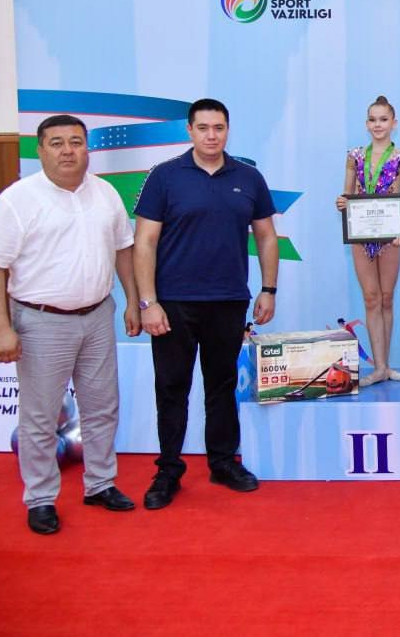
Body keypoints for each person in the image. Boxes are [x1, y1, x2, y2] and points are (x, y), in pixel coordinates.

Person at [0, 115, 141, 534]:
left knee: (102, 406)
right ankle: (41, 499)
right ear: (40, 150)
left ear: (87, 148)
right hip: (40, 322)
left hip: (98, 315)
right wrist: (0, 329)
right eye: (57, 143)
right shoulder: (17, 200)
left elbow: (124, 250)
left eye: (76, 142)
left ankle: (100, 483)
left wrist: (132, 302)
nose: (68, 150)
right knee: (41, 416)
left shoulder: (105, 193)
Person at [133, 98, 279, 509]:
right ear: (190, 130)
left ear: (227, 130)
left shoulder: (249, 177)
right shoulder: (164, 176)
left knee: (222, 385)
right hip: (172, 304)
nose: (211, 136)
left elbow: (266, 236)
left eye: (218, 128)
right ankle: (168, 470)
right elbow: (144, 242)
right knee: (171, 388)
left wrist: (268, 289)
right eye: (203, 128)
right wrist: (148, 302)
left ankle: (222, 462)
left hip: (228, 300)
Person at [335, 95, 400, 385]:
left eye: (383, 119)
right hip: (361, 235)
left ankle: (387, 365)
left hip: (390, 237)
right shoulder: (354, 156)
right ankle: (379, 367)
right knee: (371, 298)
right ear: (366, 123)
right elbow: (347, 195)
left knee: (386, 298)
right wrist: (342, 202)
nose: (378, 124)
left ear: (394, 123)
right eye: (372, 119)